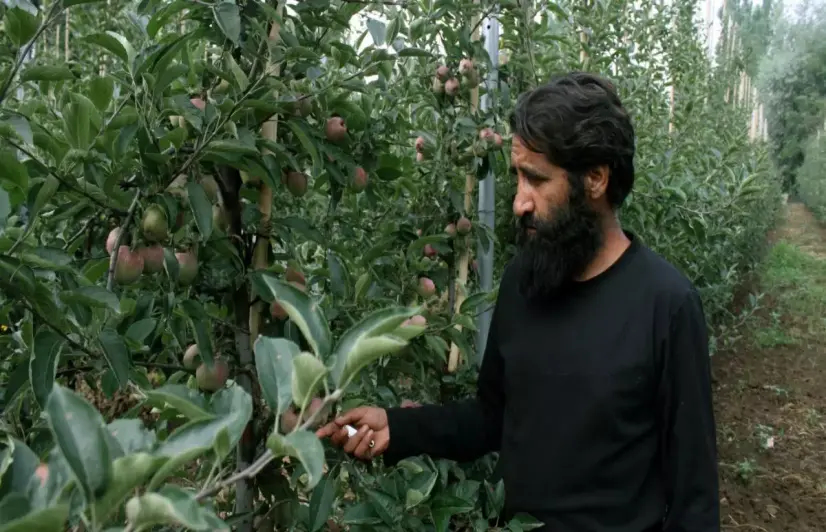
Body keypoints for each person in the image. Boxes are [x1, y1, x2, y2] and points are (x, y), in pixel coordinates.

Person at [316, 72, 720, 532]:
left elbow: (695, 499)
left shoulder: (666, 305)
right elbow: (493, 417)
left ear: (595, 179)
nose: (519, 203)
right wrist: (398, 427)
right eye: (517, 177)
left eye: (536, 180)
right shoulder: (524, 283)